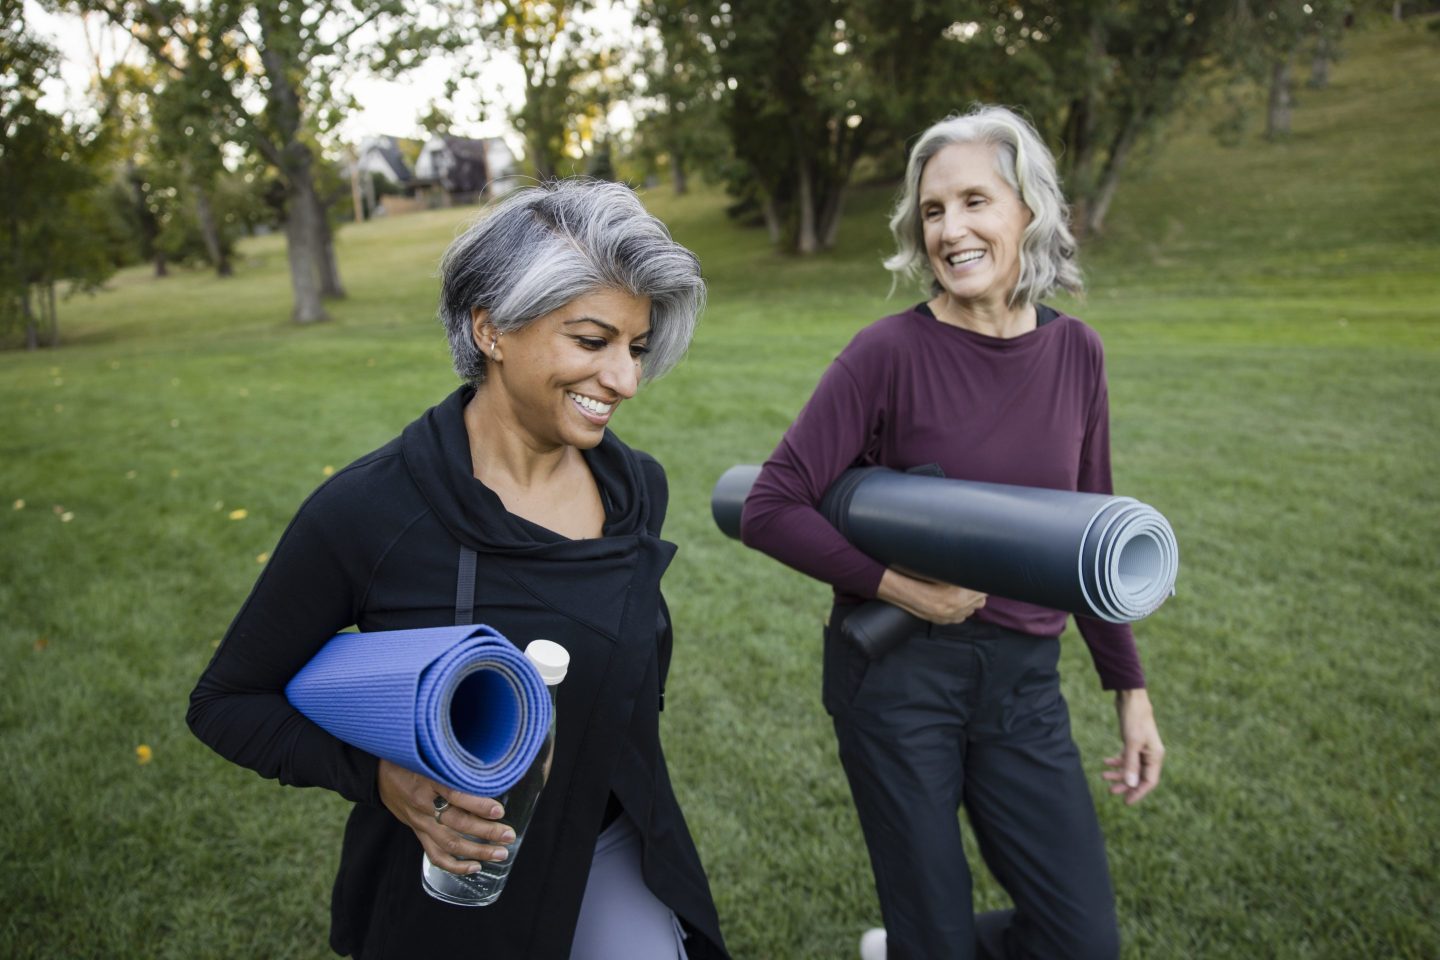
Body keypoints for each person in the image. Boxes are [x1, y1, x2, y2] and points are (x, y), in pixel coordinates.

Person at [188, 179, 728, 960]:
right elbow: (226, 702)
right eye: (591, 341)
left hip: (611, 839)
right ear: (490, 329)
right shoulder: (369, 513)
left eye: (636, 347)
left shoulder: (634, 485)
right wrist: (379, 777)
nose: (625, 380)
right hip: (454, 876)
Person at [740, 105, 1165, 960]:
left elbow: (1094, 529)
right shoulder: (886, 353)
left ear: (1027, 213)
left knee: (1082, 944)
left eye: (976, 201)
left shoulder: (1077, 353)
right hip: (900, 682)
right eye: (934, 210)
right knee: (932, 941)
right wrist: (903, 590)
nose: (952, 229)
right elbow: (771, 504)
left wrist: (1131, 691)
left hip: (1023, 685)